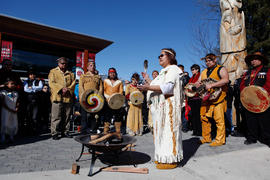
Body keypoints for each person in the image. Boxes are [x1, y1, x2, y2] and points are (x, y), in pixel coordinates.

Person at [138, 48, 183, 169]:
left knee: (169, 133)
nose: (159, 57)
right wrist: (148, 80)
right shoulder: (163, 71)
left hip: (169, 107)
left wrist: (147, 88)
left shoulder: (173, 69)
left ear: (170, 57)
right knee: (160, 134)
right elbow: (156, 85)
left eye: (162, 55)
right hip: (159, 110)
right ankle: (162, 157)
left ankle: (172, 159)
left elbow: (168, 87)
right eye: (159, 55)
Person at [196, 53, 229, 147]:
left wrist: (212, 85)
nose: (207, 62)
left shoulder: (221, 69)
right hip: (206, 98)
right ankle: (206, 138)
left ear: (215, 60)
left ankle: (220, 140)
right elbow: (198, 82)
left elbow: (226, 80)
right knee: (204, 118)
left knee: (219, 120)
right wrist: (196, 85)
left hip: (219, 98)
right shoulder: (204, 71)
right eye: (206, 61)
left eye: (209, 60)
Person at [240, 52, 270, 147]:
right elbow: (242, 85)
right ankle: (252, 137)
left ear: (261, 60)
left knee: (265, 120)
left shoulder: (267, 70)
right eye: (252, 60)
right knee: (250, 120)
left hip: (263, 100)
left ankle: (267, 138)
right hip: (249, 101)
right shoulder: (247, 73)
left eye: (255, 59)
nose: (253, 61)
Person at [48, 57, 75, 140]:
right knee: (56, 116)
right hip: (57, 97)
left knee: (67, 116)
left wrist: (68, 89)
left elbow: (73, 83)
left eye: (65, 63)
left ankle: (65, 131)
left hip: (67, 97)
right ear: (58, 63)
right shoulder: (53, 72)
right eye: (62, 63)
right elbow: (51, 83)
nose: (64, 65)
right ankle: (54, 133)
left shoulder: (71, 73)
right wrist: (61, 89)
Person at [79, 61, 103, 134]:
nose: (92, 67)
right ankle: (83, 130)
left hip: (95, 98)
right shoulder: (83, 76)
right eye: (91, 65)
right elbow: (81, 86)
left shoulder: (98, 77)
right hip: (85, 98)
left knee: (94, 115)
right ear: (87, 67)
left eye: (93, 65)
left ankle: (93, 129)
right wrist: (84, 95)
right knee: (84, 115)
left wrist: (99, 95)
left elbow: (101, 87)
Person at [103, 68, 123, 135]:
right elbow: (103, 90)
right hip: (107, 101)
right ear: (108, 74)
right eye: (110, 73)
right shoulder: (105, 81)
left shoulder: (119, 82)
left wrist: (116, 98)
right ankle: (106, 131)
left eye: (113, 73)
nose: (112, 74)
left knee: (118, 116)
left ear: (115, 74)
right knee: (107, 116)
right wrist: (108, 98)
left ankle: (118, 131)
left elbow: (121, 92)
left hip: (116, 102)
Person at [23, 69, 43, 134]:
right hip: (28, 101)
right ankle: (28, 130)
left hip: (36, 101)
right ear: (29, 75)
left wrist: (31, 87)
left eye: (33, 74)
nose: (32, 76)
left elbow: (40, 87)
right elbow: (25, 89)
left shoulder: (39, 81)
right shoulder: (26, 81)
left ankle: (34, 130)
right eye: (31, 74)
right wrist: (35, 89)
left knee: (35, 116)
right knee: (28, 115)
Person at [0, 78, 19, 143]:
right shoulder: (3, 92)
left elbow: (17, 102)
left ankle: (11, 135)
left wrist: (16, 108)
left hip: (13, 110)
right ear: (6, 84)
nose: (13, 85)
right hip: (6, 110)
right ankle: (3, 136)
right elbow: (2, 102)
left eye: (14, 84)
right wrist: (9, 109)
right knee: (5, 122)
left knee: (13, 123)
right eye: (11, 84)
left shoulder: (15, 93)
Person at [187, 64, 202, 136]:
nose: (192, 71)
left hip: (198, 98)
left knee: (198, 115)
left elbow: (201, 85)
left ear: (197, 69)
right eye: (191, 70)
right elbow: (188, 85)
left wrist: (194, 88)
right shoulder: (191, 77)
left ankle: (199, 131)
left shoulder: (200, 76)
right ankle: (195, 130)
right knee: (193, 115)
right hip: (192, 98)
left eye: (193, 69)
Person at [178, 64, 190, 133]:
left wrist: (184, 77)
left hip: (184, 97)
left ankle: (185, 127)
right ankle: (179, 126)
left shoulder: (185, 77)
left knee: (184, 113)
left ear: (183, 70)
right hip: (177, 97)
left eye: (180, 69)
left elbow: (186, 85)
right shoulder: (174, 76)